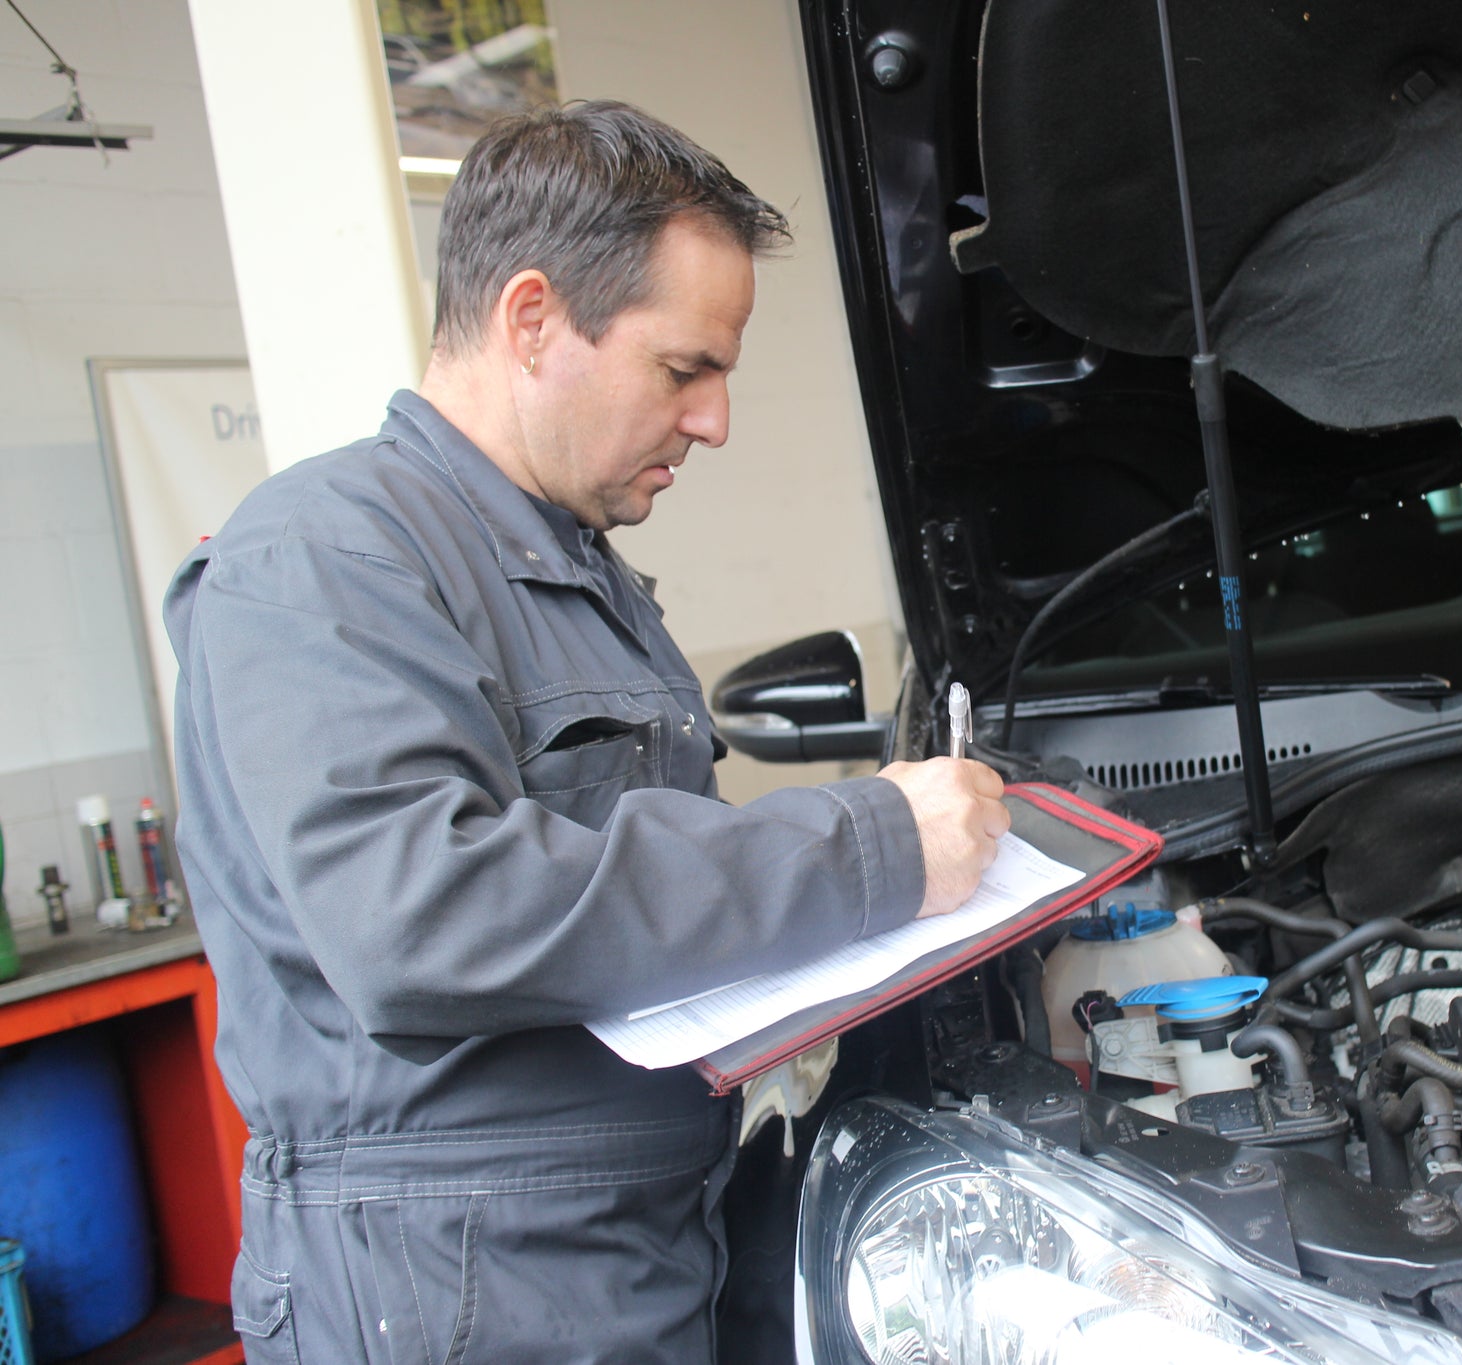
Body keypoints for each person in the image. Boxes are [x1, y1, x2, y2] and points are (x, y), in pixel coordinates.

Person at [164, 100, 1009, 1364]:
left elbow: (632, 906)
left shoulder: (565, 568)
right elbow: (421, 916)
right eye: (684, 370)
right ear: (530, 319)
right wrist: (868, 847)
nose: (715, 420)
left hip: (635, 1243)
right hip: (457, 1281)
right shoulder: (323, 553)